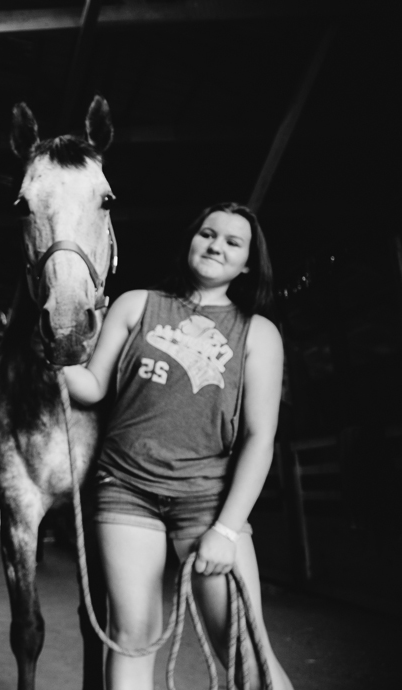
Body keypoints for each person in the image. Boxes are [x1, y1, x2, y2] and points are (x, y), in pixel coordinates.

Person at [63, 202, 293, 690]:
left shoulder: (257, 333)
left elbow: (259, 438)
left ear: (248, 263)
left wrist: (228, 532)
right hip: (126, 488)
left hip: (207, 498)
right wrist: (58, 359)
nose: (216, 246)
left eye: (233, 242)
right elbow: (92, 387)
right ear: (191, 240)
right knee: (134, 637)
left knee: (245, 645)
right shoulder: (136, 303)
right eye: (208, 233)